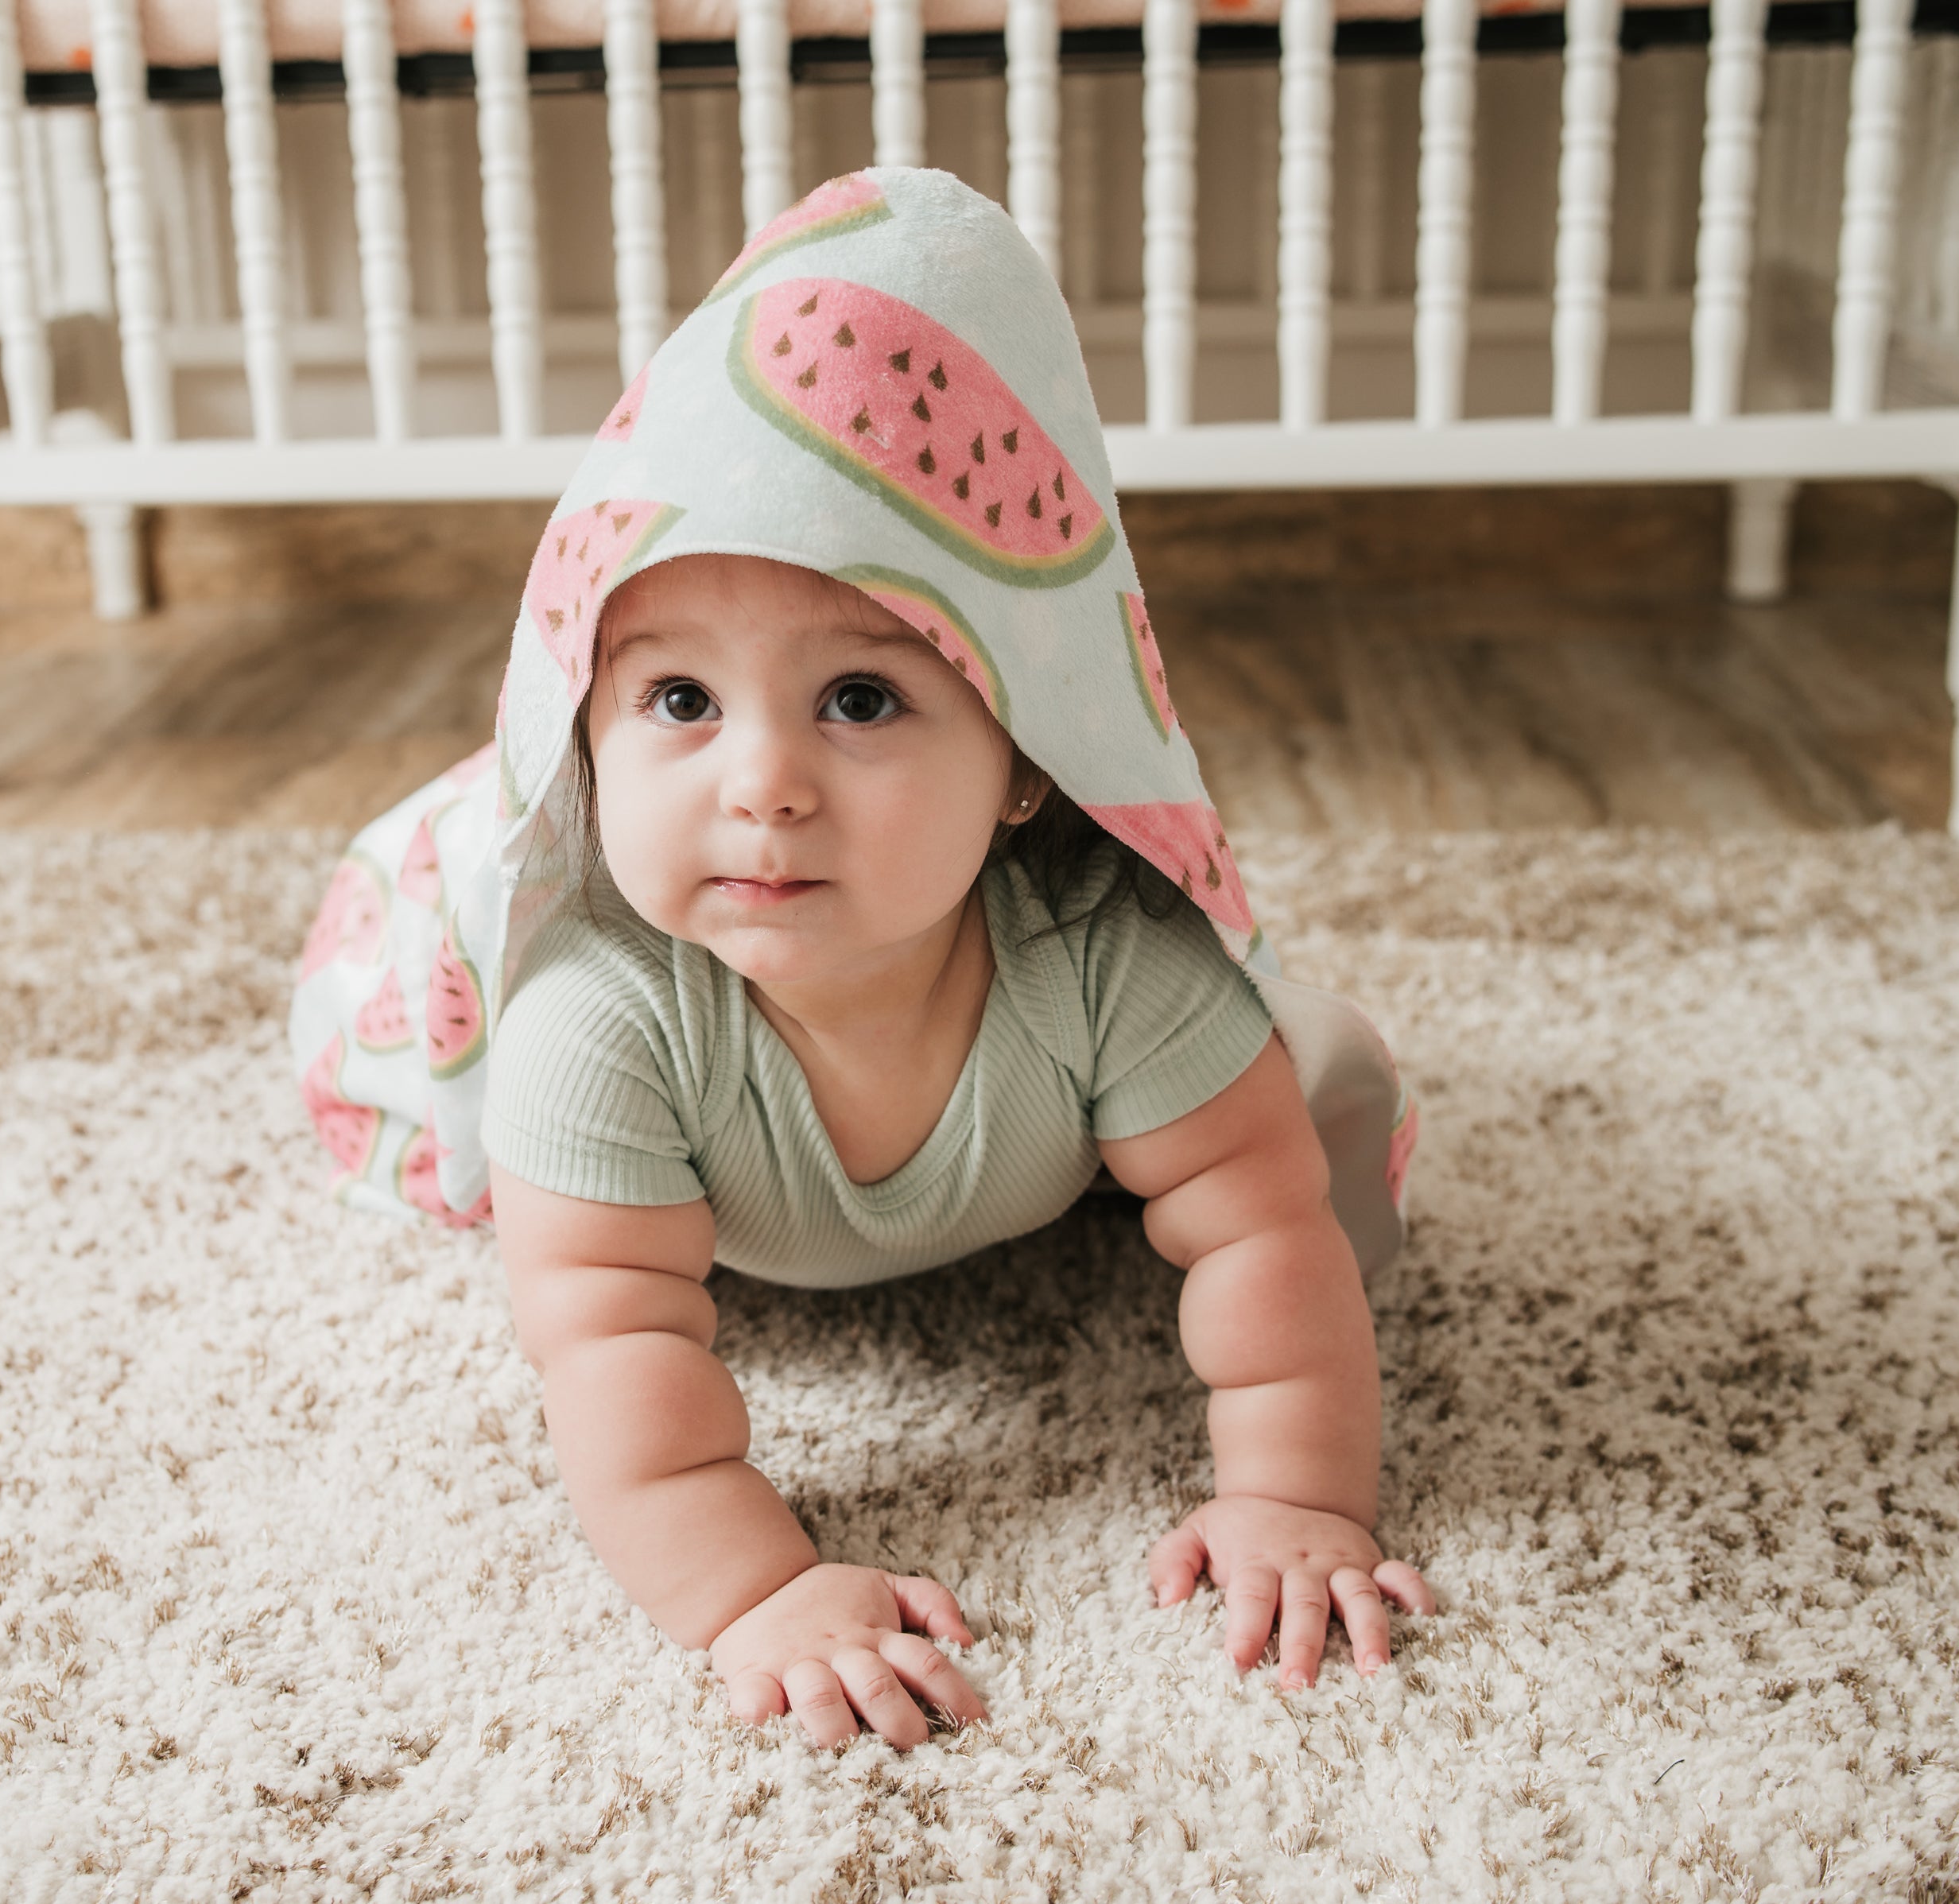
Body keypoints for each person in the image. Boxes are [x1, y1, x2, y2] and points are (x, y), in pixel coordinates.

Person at [290, 167, 1432, 1749]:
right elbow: (613, 1353)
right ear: (589, 727)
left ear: (1028, 751)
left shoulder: (1107, 952)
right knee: (504, 1147)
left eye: (863, 700)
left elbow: (1264, 1240)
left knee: (1305, 1092)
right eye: (678, 700)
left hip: (1058, 1085)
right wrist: (753, 1590)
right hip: (682, 1175)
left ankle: (1198, 1107)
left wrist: (1300, 1499)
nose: (761, 784)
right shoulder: (599, 1024)